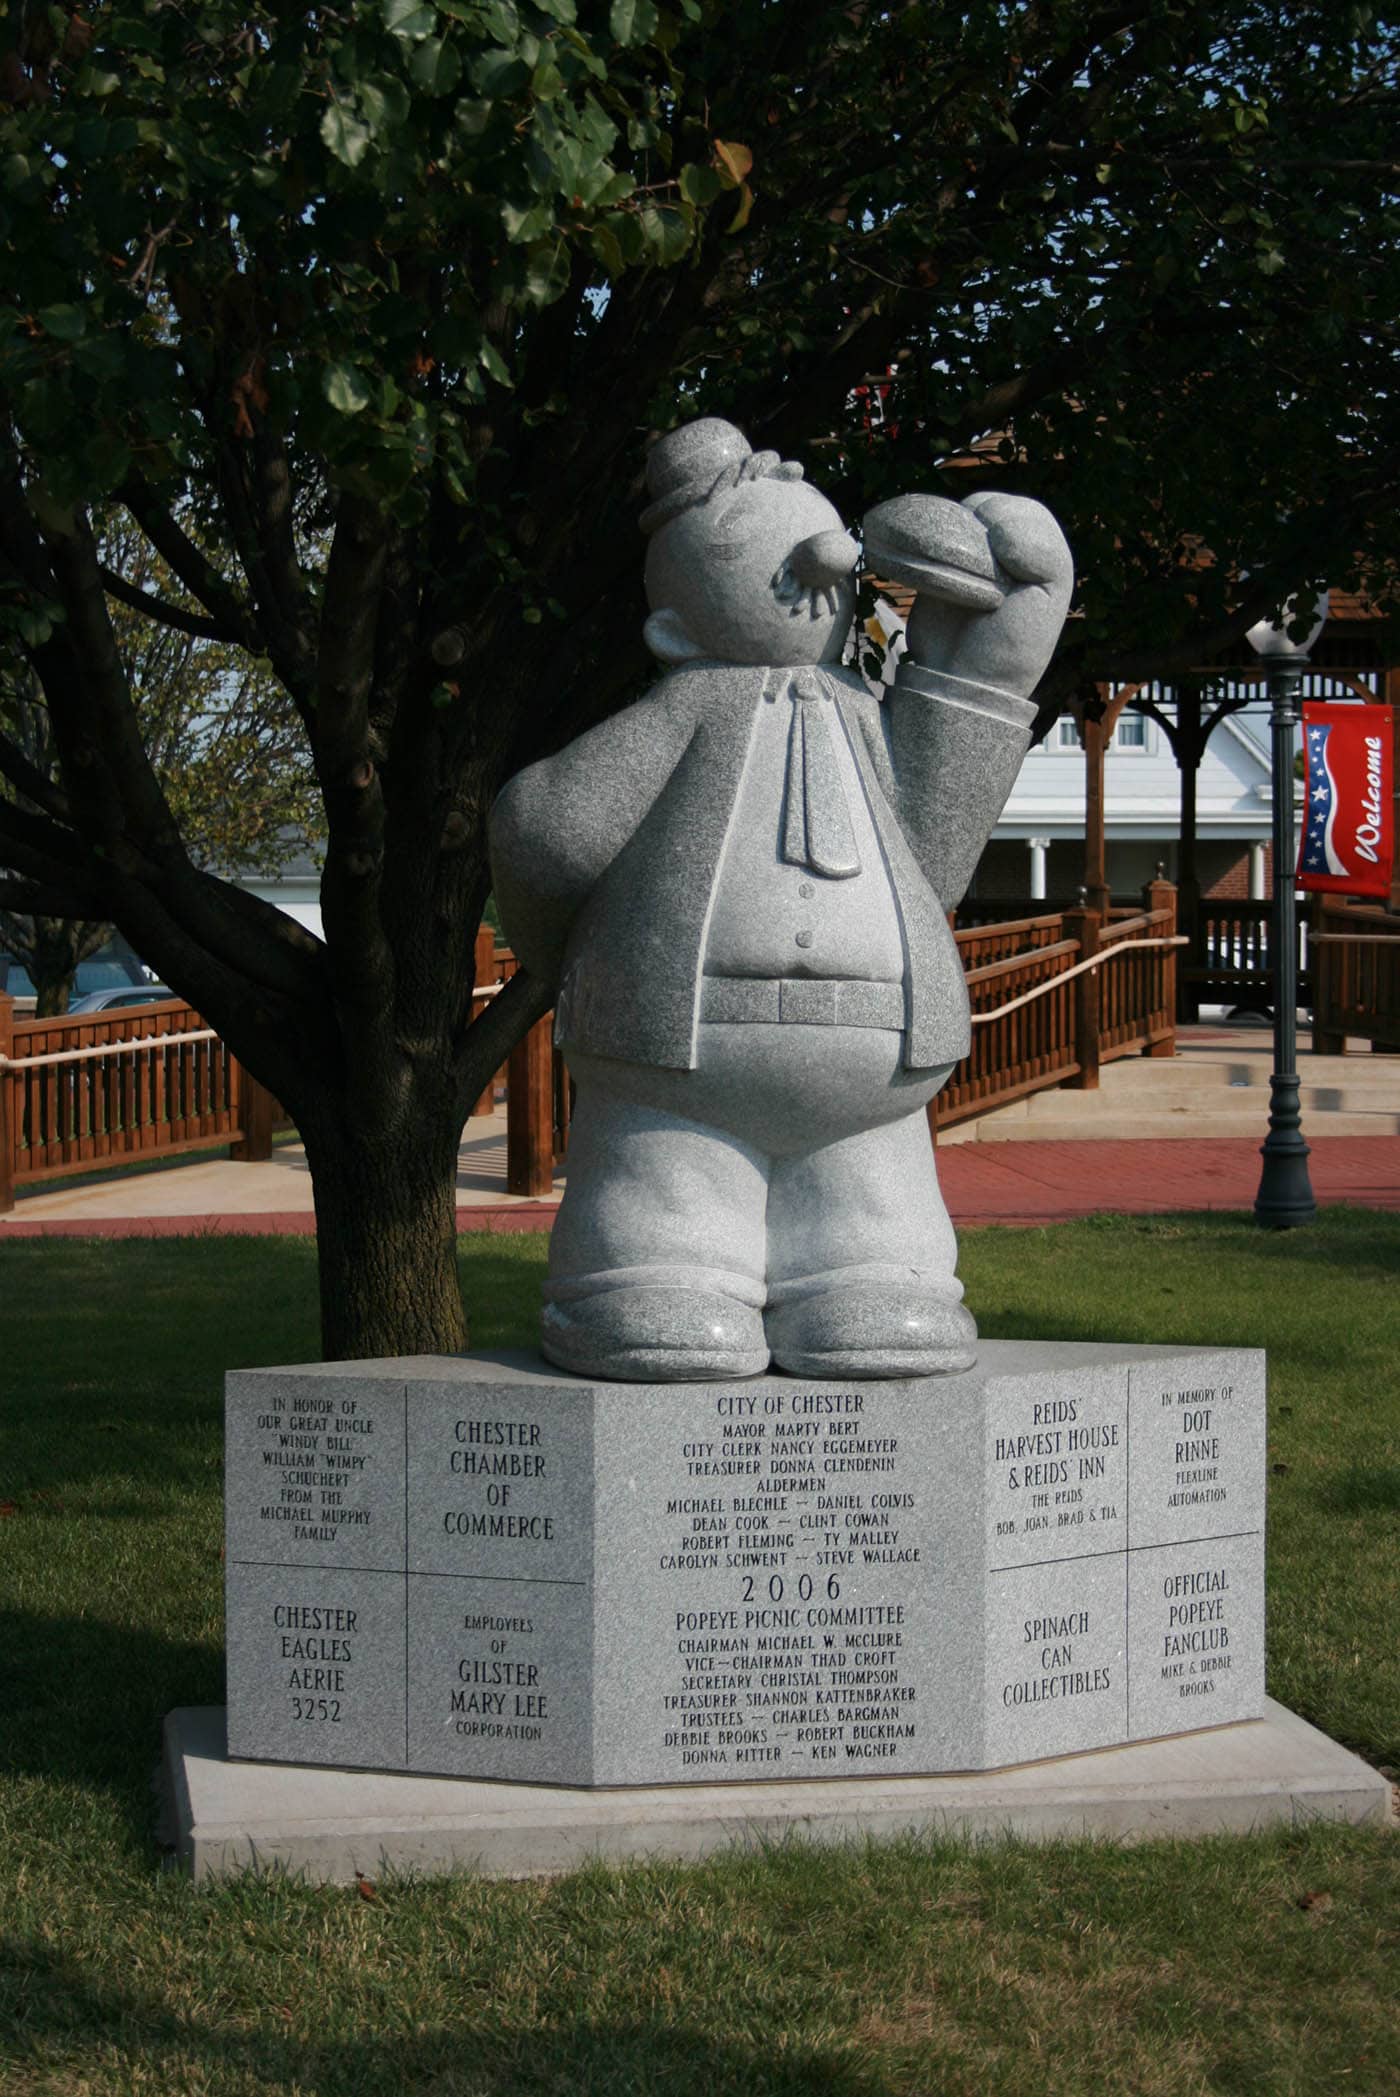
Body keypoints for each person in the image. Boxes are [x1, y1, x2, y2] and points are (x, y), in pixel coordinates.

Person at [490, 418, 1072, 1380]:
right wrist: (579, 969)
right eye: (763, 549)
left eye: (830, 540)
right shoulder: (684, 708)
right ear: (673, 630)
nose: (830, 554)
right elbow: (545, 832)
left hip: (870, 1093)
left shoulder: (863, 716)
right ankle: (645, 1269)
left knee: (876, 1251)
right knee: (662, 1216)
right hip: (674, 1076)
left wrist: (992, 671)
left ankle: (870, 1268)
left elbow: (933, 850)